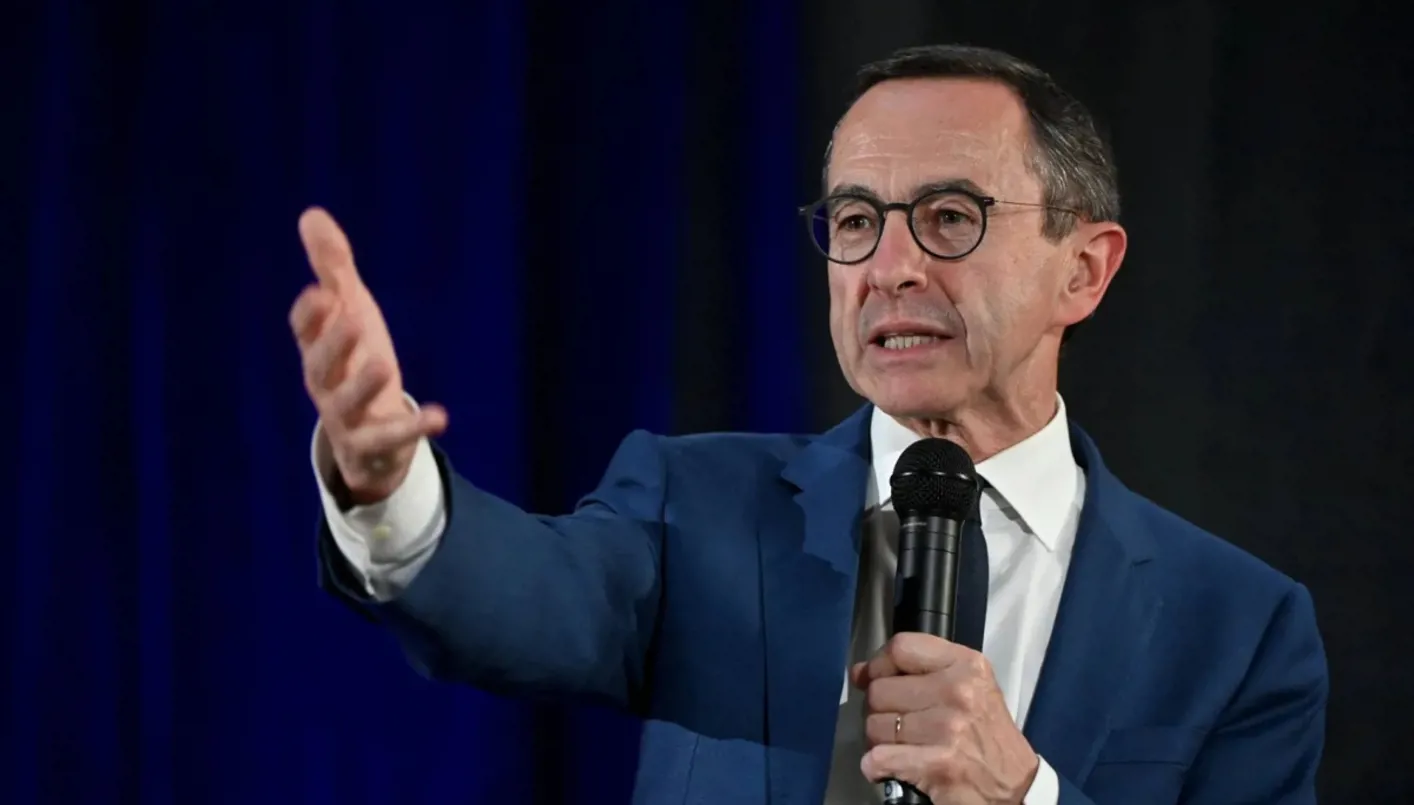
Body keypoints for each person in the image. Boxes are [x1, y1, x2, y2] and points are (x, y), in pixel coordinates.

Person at [289, 44, 1327, 805]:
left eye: (950, 217)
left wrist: (1025, 796)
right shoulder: (694, 509)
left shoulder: (1238, 626)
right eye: (857, 221)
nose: (890, 267)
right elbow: (516, 598)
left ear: (1084, 270)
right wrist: (387, 488)